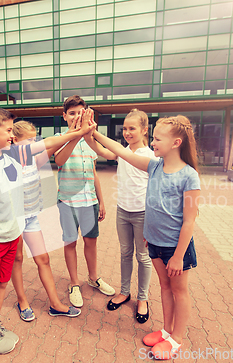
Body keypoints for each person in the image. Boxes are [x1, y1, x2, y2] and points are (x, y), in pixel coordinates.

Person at [0, 107, 90, 354]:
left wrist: (78, 132)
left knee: (2, 284)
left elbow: (50, 143)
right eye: (7, 130)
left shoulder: (13, 156)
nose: (11, 135)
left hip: (13, 234)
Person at [89, 115, 200, 360]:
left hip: (176, 249)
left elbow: (190, 220)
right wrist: (93, 132)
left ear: (176, 143)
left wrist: (179, 256)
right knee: (164, 287)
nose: (153, 144)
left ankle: (177, 339)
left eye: (158, 139)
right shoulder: (154, 166)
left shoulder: (189, 176)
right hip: (155, 242)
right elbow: (119, 150)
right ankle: (166, 331)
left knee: (179, 291)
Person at [83, 109, 154, 323]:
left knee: (143, 257)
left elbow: (114, 149)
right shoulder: (123, 151)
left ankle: (143, 299)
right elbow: (103, 151)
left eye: (132, 128)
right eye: (124, 128)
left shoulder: (148, 155)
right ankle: (125, 292)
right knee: (125, 253)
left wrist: (94, 131)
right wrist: (87, 134)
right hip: (123, 211)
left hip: (142, 214)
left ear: (144, 130)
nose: (127, 132)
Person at [10, 120, 81, 321]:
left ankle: (55, 304)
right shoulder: (12, 156)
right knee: (17, 259)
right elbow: (49, 142)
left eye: (35, 138)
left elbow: (54, 145)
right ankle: (22, 300)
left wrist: (75, 132)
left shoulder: (35, 159)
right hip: (15, 219)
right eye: (30, 140)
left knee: (43, 259)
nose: (35, 142)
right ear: (15, 141)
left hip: (31, 218)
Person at [54, 95, 115, 307]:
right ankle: (74, 283)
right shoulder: (59, 137)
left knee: (91, 242)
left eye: (80, 113)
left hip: (89, 201)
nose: (76, 117)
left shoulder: (91, 141)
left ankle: (93, 277)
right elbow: (59, 160)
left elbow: (94, 173)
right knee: (70, 242)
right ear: (64, 116)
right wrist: (75, 135)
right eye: (72, 113)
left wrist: (102, 201)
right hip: (67, 202)